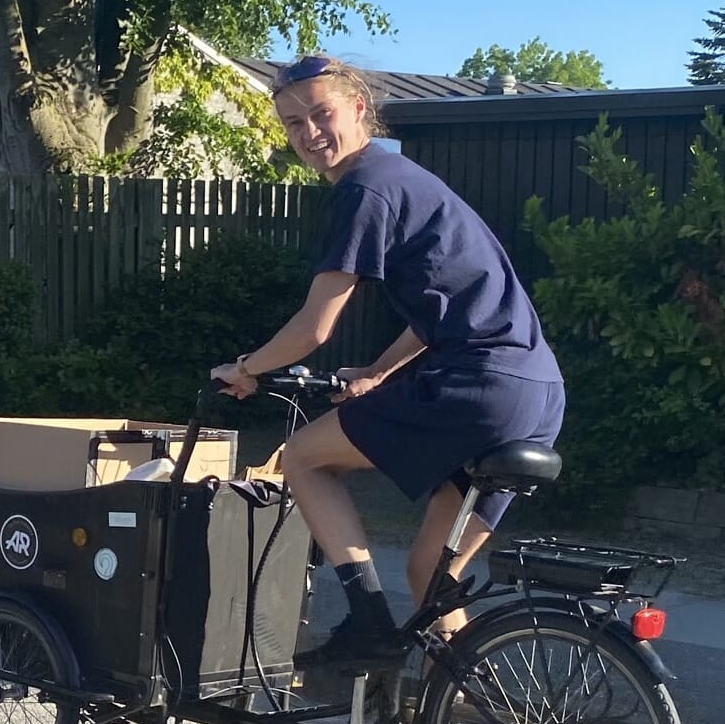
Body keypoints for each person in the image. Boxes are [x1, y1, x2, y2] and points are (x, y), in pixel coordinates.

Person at [211, 54, 564, 673]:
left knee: (303, 458)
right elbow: (443, 308)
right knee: (431, 572)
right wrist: (378, 371)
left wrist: (247, 368)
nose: (309, 133)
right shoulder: (406, 180)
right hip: (536, 392)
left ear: (358, 109)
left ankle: (368, 625)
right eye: (293, 123)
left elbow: (314, 327)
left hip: (478, 384)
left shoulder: (364, 188)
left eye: (321, 114)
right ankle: (465, 710)